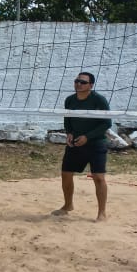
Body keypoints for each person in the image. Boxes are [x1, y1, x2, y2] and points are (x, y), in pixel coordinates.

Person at [53, 71, 112, 221]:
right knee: (66, 174)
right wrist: (69, 133)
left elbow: (107, 123)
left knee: (98, 177)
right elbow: (68, 118)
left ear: (90, 85)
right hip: (76, 142)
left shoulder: (99, 100)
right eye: (77, 81)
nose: (78, 84)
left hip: (96, 143)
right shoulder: (70, 100)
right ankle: (68, 205)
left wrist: (88, 137)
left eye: (83, 82)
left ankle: (102, 213)